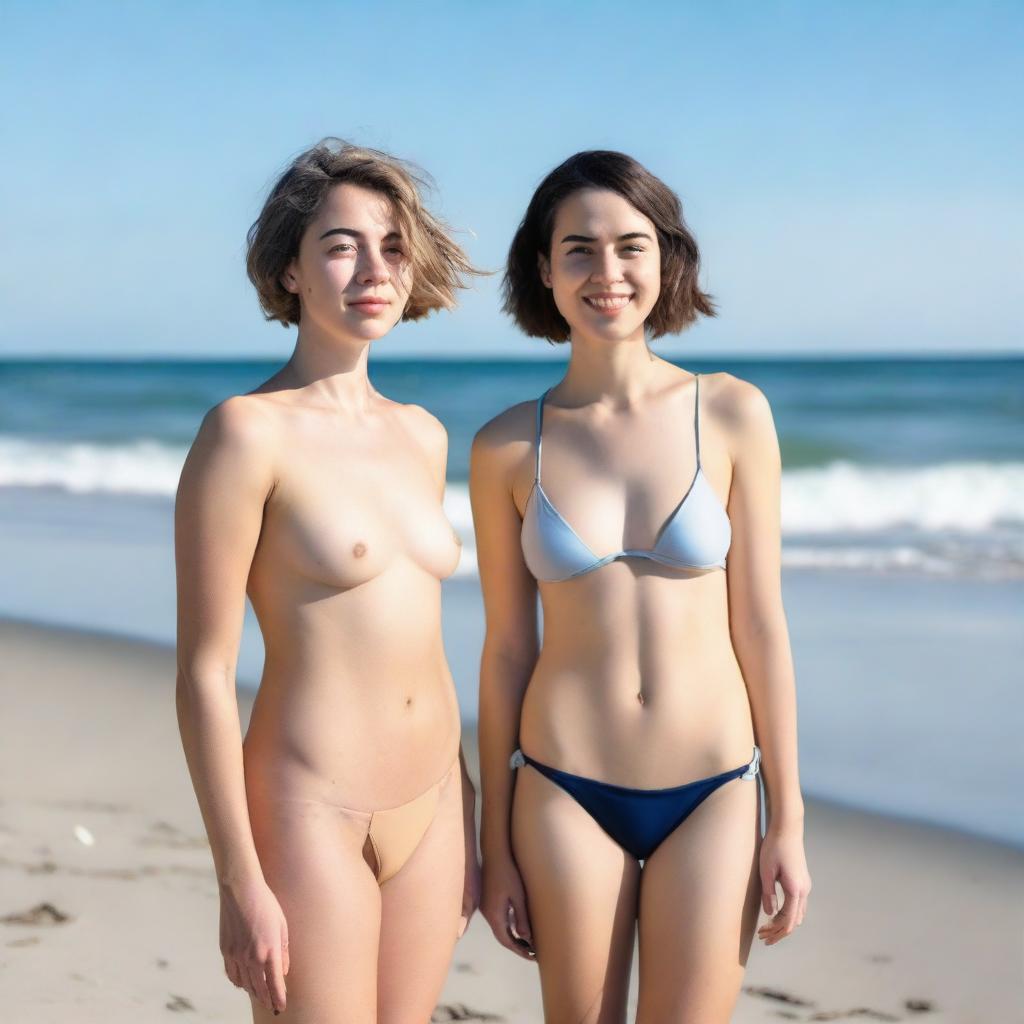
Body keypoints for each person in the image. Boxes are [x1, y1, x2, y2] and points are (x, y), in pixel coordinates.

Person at [470, 150, 811, 1023]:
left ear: (668, 261)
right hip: (563, 784)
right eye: (577, 249)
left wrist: (789, 819)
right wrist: (494, 842)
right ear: (543, 270)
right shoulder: (508, 446)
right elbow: (509, 648)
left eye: (631, 246)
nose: (607, 272)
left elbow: (763, 627)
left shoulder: (733, 413)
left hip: (716, 788)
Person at [175, 139, 481, 1022]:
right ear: (290, 270)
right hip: (311, 808)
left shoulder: (424, 435)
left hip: (433, 808)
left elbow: (420, 636)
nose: (373, 269)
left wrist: (463, 806)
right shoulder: (245, 433)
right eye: (342, 245)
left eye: (392, 245)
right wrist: (238, 878)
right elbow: (202, 669)